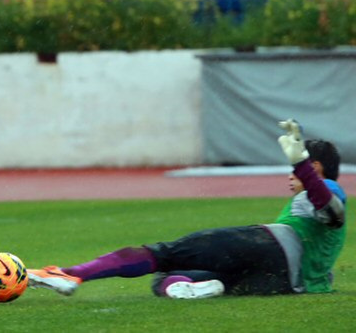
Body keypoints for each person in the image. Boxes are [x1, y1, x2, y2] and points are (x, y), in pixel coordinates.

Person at [27, 119, 347, 299]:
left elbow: (331, 211)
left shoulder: (328, 188)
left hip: (268, 246)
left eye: (299, 170)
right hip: (280, 283)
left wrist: (300, 164)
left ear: (315, 166)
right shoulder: (321, 237)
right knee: (164, 281)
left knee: (163, 253)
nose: (291, 176)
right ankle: (209, 286)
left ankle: (71, 274)